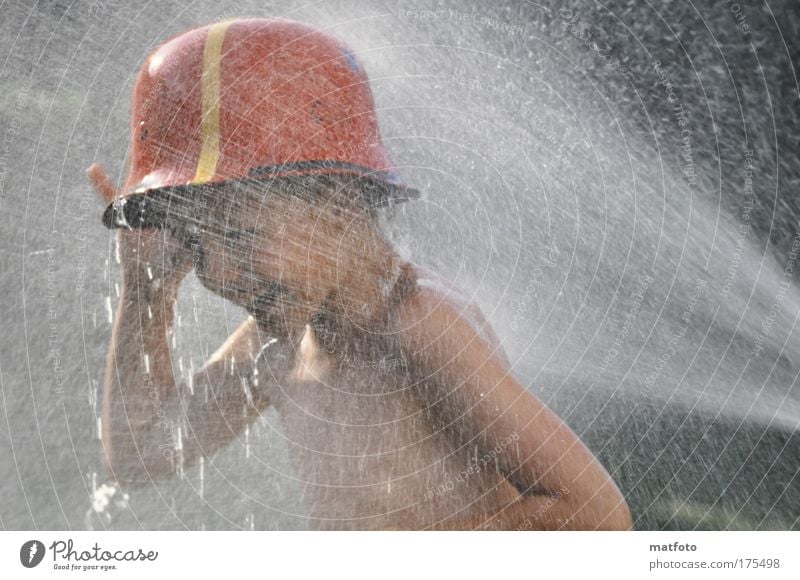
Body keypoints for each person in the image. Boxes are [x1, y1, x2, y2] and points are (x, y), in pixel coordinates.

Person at [93, 17, 632, 531]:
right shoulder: (279, 345)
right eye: (193, 244)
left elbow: (596, 515)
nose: (217, 272)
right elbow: (144, 455)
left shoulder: (420, 325)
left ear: (336, 200)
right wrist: (146, 290)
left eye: (239, 237)